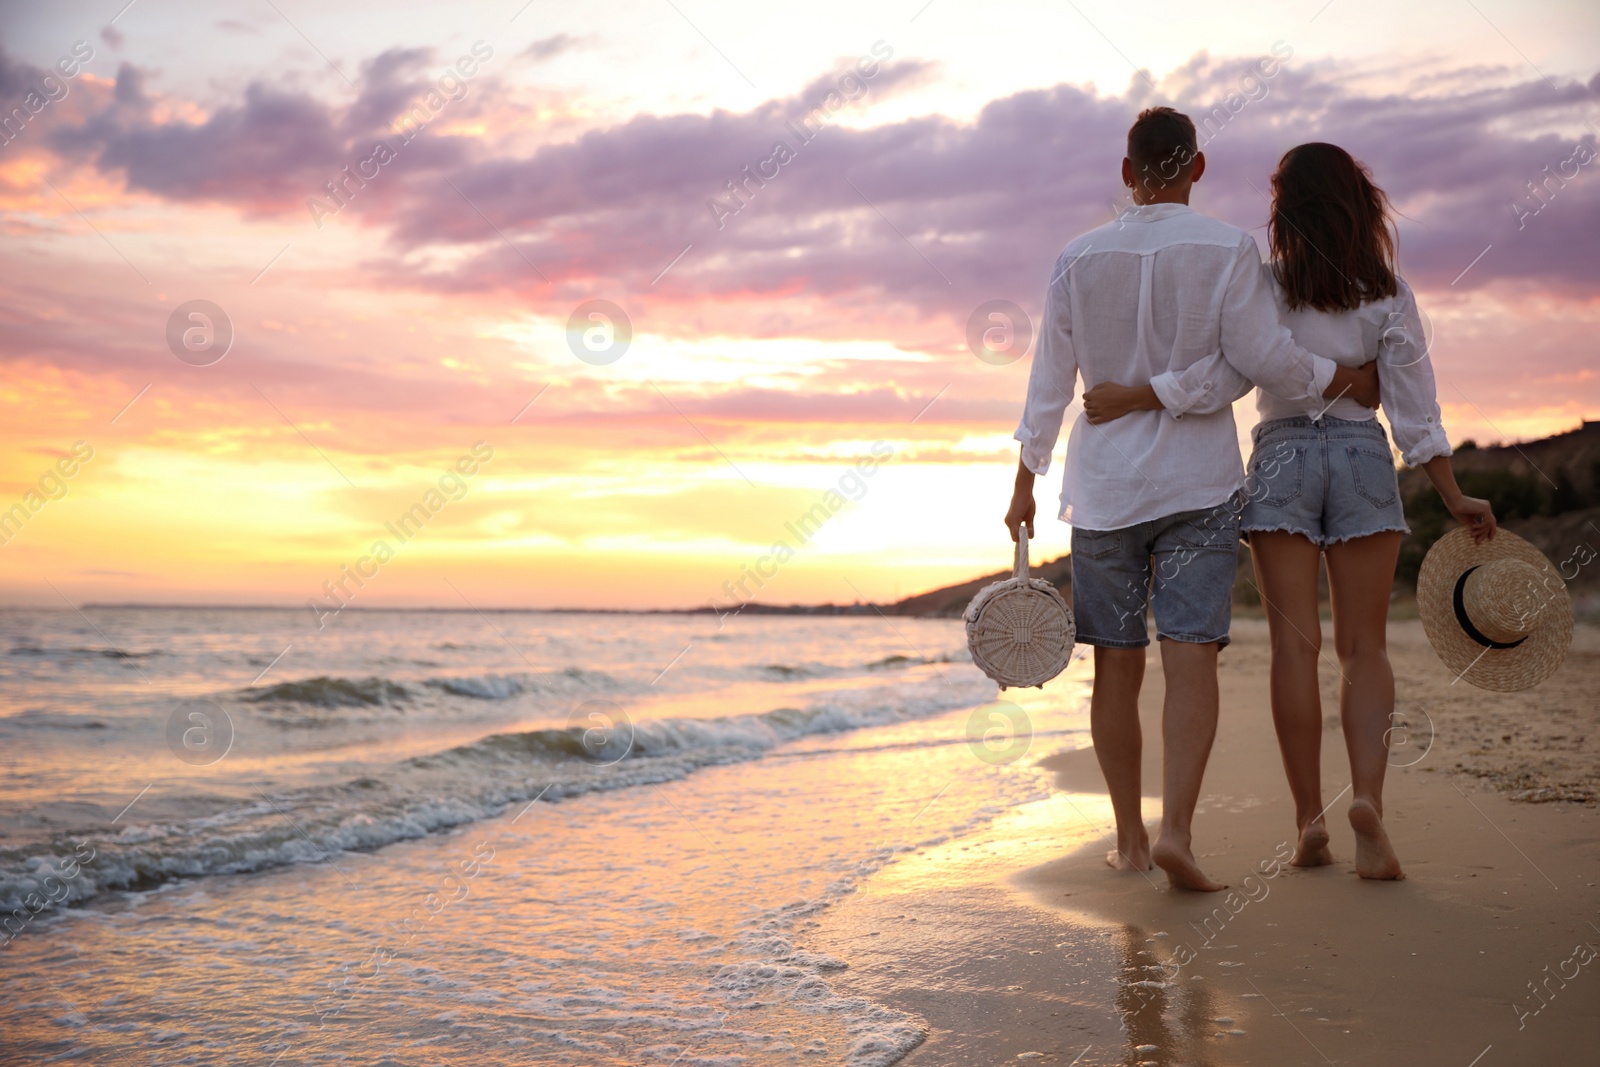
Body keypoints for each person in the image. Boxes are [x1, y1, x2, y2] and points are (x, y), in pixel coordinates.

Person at [1082, 142, 1497, 881]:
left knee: (1294, 649)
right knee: (1364, 649)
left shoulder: (1266, 288)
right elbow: (1414, 407)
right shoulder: (1390, 294)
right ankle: (1366, 798)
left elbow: (1232, 374)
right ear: (1360, 208)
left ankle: (1310, 823)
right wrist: (1452, 491)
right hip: (1362, 456)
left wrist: (1138, 394)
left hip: (1280, 458)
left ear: (1285, 215)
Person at [1006, 108, 1380, 892]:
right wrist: (1341, 380)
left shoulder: (1077, 258)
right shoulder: (1227, 250)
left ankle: (1130, 841)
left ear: (1126, 171)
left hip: (1104, 491)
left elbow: (1049, 379)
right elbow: (1256, 362)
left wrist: (1025, 480)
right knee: (1189, 657)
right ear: (1198, 168)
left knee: (1115, 662)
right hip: (1199, 484)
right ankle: (1177, 827)